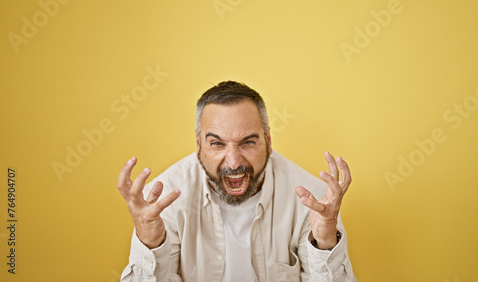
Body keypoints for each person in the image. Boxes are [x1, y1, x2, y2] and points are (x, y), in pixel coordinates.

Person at [117, 81, 356, 281]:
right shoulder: (163, 200)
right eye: (217, 143)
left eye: (248, 142)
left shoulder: (312, 199)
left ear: (268, 141)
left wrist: (325, 242)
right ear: (199, 145)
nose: (232, 162)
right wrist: (149, 241)